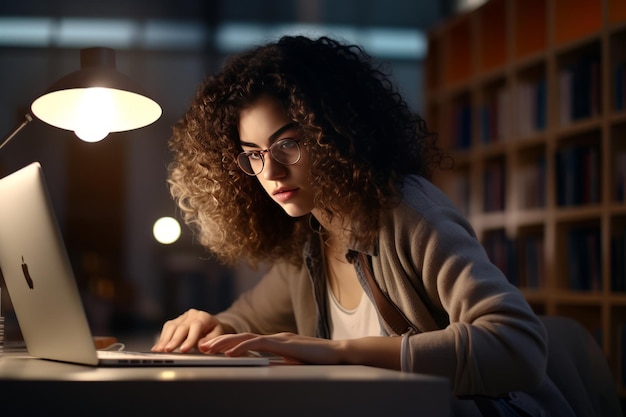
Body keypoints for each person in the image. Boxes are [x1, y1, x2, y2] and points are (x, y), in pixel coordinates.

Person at [151, 35, 573, 416]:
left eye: (288, 144)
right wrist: (213, 327)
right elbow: (248, 320)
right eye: (254, 154)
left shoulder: (407, 211)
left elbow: (519, 347)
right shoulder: (312, 240)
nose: (272, 172)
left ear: (334, 132)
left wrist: (341, 354)